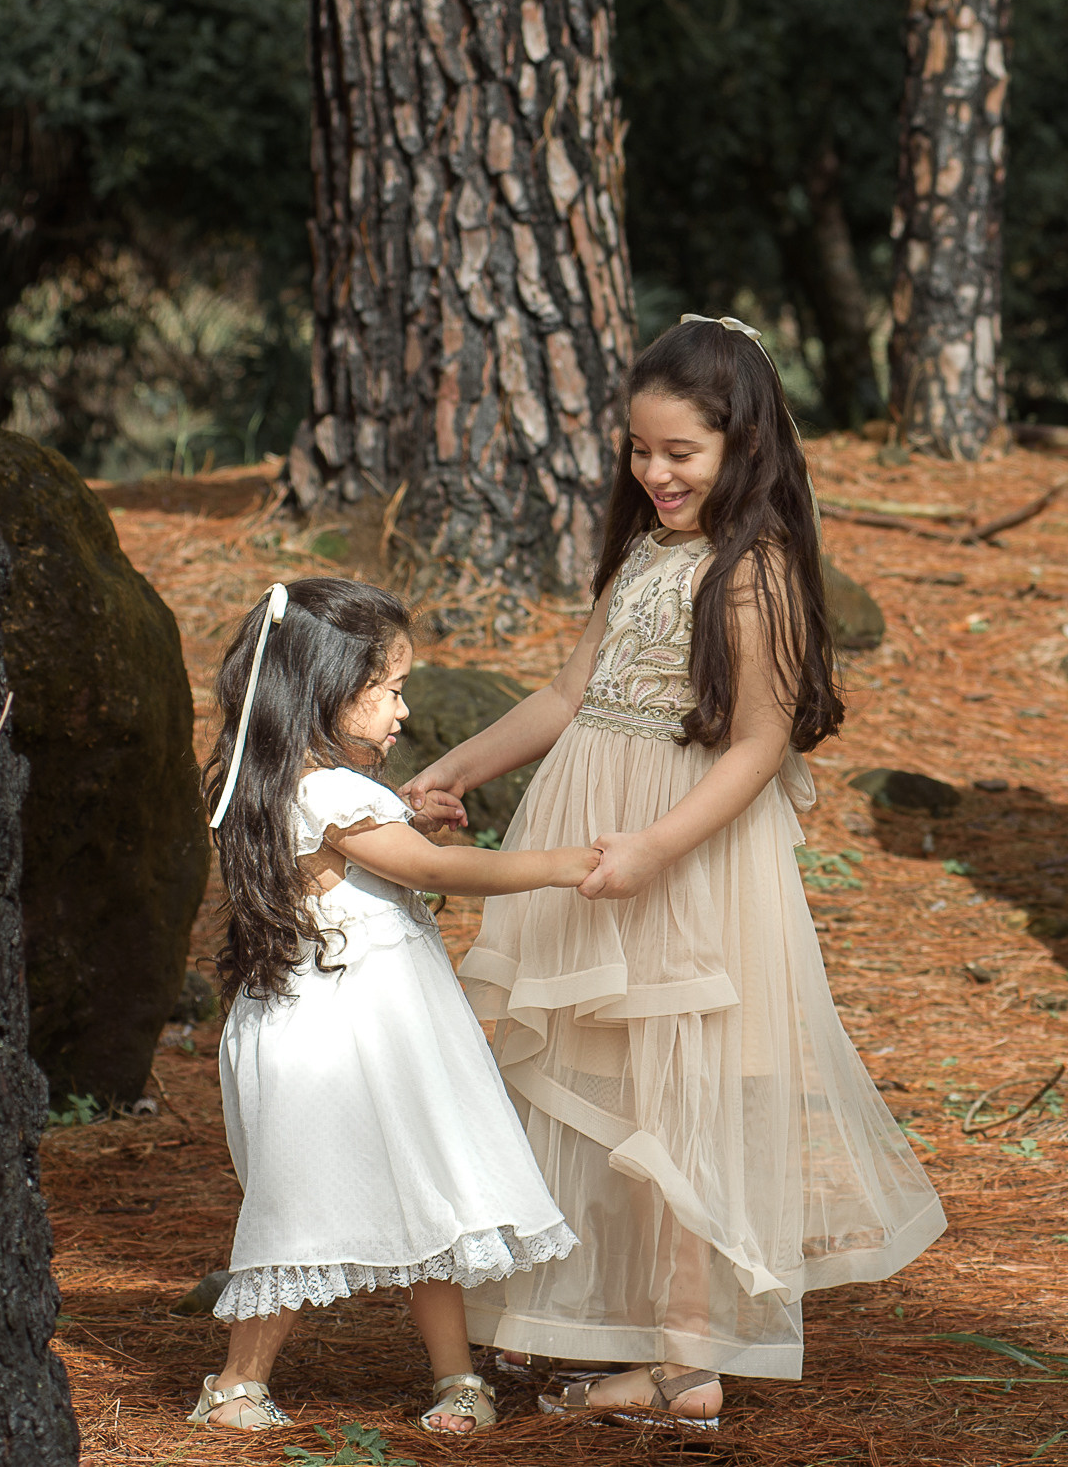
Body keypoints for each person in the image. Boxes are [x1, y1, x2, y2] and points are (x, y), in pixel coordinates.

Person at [405, 316, 946, 1434]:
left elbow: (758, 743)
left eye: (679, 455)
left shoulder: (756, 575)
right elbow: (567, 696)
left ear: (742, 445)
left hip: (681, 852)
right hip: (589, 832)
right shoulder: (648, 553)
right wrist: (456, 763)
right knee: (611, 1081)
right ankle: (618, 1325)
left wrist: (657, 845)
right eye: (639, 451)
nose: (654, 473)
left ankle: (688, 1356)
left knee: (683, 1090)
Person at [192, 576, 596, 1435]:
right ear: (328, 690)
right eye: (392, 690)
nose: (403, 712)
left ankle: (444, 1377)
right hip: (347, 1038)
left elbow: (380, 859)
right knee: (303, 1206)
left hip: (346, 1026)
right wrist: (566, 865)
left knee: (416, 1195)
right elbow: (434, 873)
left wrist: (408, 820)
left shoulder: (270, 778)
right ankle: (244, 1377)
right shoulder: (330, 794)